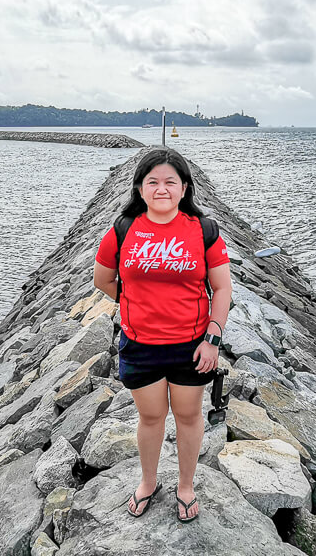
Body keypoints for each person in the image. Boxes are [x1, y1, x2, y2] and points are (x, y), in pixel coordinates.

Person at [93, 147, 232, 522]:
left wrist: (213, 338)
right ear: (140, 188)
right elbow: (102, 279)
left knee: (188, 416)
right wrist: (135, 302)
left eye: (170, 181)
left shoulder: (203, 231)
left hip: (192, 346)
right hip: (141, 345)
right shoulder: (123, 230)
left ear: (184, 188)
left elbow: (222, 289)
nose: (161, 189)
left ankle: (185, 486)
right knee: (151, 417)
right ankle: (148, 482)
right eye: (152, 181)